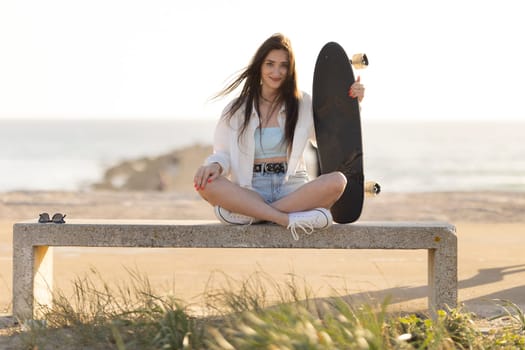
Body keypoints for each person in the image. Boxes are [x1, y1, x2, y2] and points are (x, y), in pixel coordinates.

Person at [193, 33, 365, 240]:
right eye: (270, 64)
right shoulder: (236, 109)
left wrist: (350, 105)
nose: (276, 72)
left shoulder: (303, 104)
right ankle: (285, 219)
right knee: (206, 183)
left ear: (290, 69)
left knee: (338, 181)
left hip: (292, 190)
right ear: (260, 66)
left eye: (283, 65)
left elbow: (330, 140)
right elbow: (222, 154)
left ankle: (252, 214)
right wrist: (215, 167)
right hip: (252, 189)